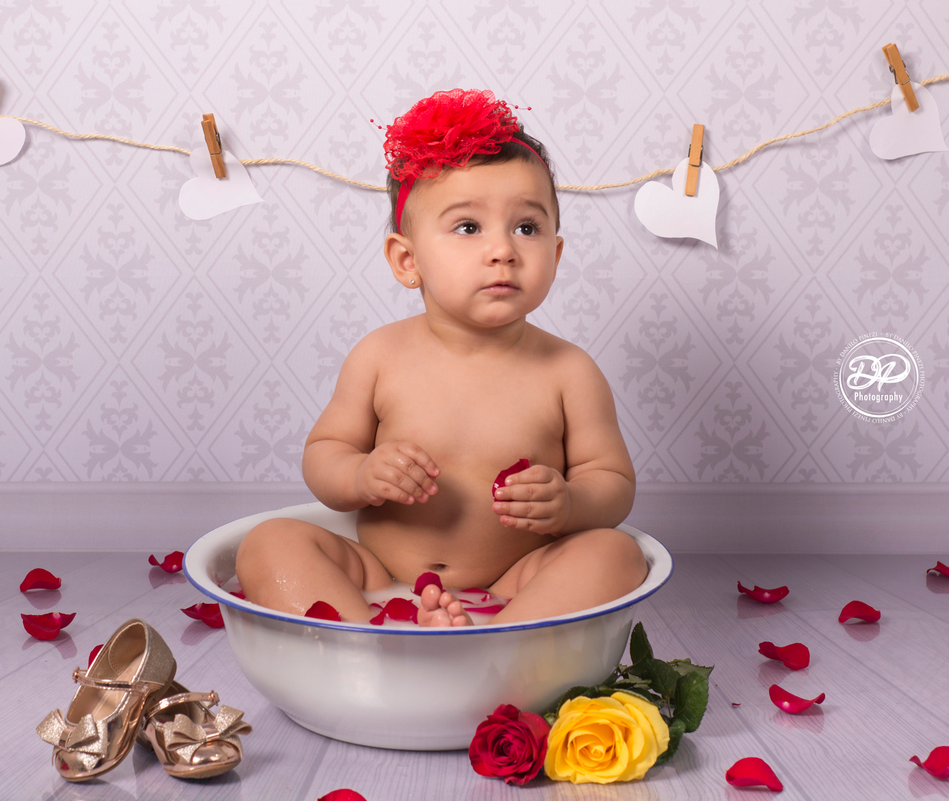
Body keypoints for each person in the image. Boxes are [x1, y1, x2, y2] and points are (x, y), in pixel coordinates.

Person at [236, 89, 645, 626]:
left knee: (615, 553)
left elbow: (612, 482)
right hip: (379, 578)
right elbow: (324, 454)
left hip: (515, 584)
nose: (503, 250)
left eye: (527, 227)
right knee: (268, 541)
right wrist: (360, 474)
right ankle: (358, 641)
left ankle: (501, 644)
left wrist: (571, 502)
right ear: (407, 260)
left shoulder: (569, 372)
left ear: (556, 253)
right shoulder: (379, 356)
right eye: (468, 227)